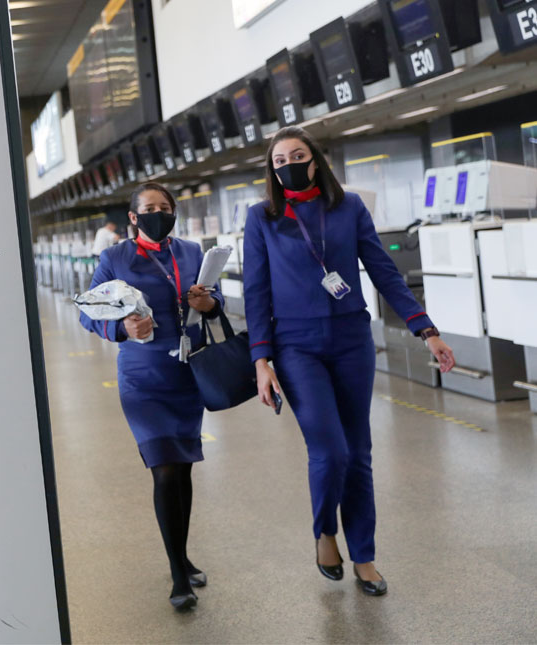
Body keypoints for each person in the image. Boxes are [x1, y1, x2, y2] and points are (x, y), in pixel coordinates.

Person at [242, 126, 456, 597]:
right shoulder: (262, 218)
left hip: (350, 339)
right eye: (279, 161)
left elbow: (382, 270)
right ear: (272, 171)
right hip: (296, 346)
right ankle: (324, 531)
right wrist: (262, 360)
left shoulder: (349, 207)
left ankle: (364, 556)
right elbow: (256, 293)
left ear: (315, 160)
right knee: (330, 450)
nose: (289, 165)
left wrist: (427, 330)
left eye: (297, 156)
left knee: (358, 454)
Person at [79, 182, 223, 611]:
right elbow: (90, 311)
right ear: (133, 218)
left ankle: (182, 555)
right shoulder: (116, 257)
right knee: (164, 470)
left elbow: (212, 300)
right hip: (143, 378)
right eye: (149, 208)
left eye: (165, 207)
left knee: (184, 469)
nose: (158, 213)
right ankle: (179, 574)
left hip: (187, 373)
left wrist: (208, 304)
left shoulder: (192, 252)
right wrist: (122, 329)